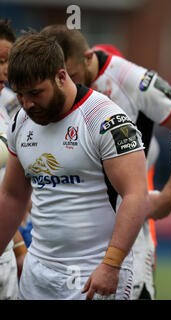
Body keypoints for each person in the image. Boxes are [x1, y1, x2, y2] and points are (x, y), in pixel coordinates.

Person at [39, 26, 171, 299]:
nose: (66, 87)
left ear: (87, 56)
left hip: (125, 230)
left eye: (71, 76)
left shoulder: (130, 79)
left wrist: (168, 196)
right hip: (65, 234)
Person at [0, 33, 152, 300]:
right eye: (21, 95)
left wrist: (111, 263)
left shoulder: (107, 120)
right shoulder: (20, 121)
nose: (27, 104)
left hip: (94, 272)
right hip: (38, 272)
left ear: (61, 77)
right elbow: (12, 195)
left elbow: (136, 194)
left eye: (36, 93)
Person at [0, 17, 28, 300]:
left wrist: (18, 247)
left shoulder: (6, 113)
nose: (6, 71)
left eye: (8, 61)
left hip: (5, 256)